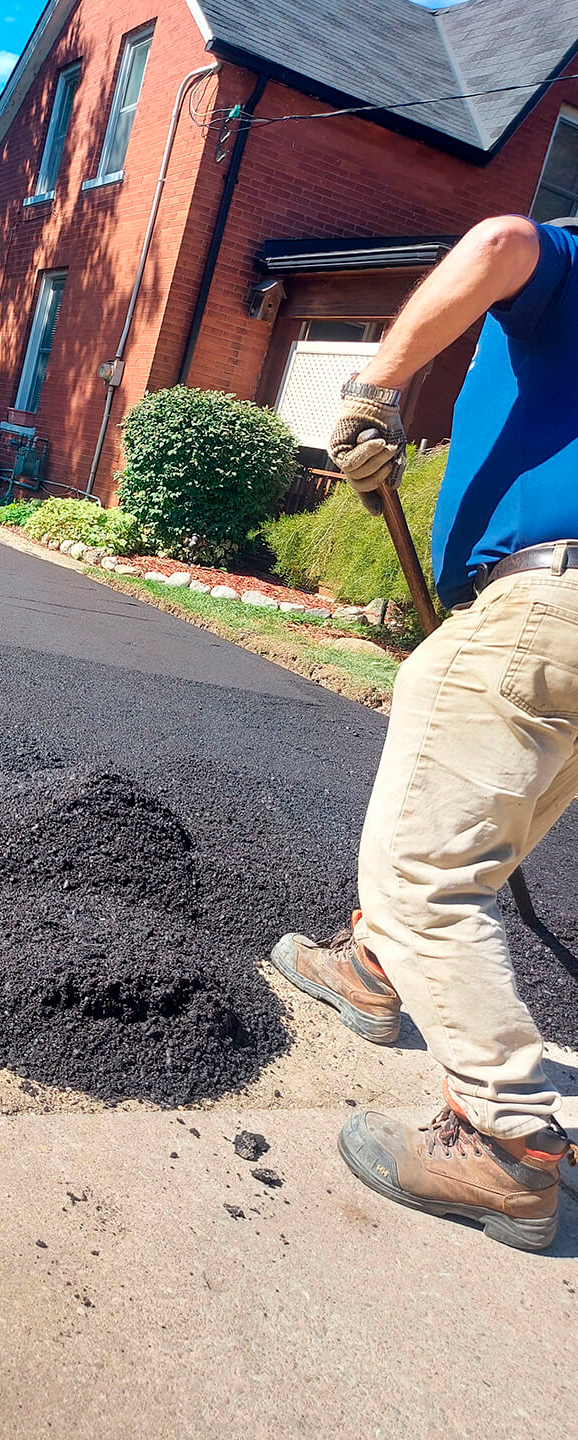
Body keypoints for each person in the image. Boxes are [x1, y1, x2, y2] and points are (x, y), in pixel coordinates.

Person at [271, 213, 578, 1252]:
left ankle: (506, 1143)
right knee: (477, 842)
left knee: (430, 875)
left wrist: (373, 389)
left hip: (544, 602)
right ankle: (373, 967)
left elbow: (497, 242)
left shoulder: (571, 264)